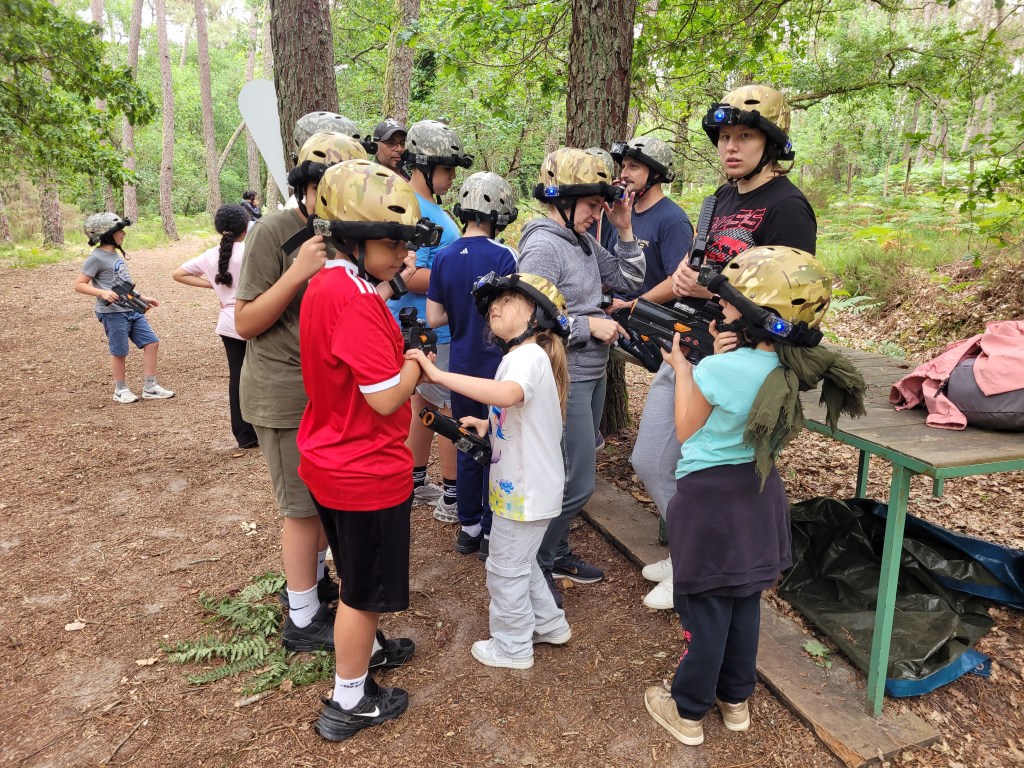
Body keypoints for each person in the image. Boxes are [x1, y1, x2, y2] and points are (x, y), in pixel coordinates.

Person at [644, 245, 864, 746]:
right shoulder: (791, 367)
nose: (720, 307)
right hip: (759, 495)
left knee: (706, 609)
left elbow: (687, 430)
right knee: (744, 603)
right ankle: (735, 700)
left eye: (728, 301)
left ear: (754, 313)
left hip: (709, 502)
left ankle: (688, 711)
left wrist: (686, 369)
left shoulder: (718, 370)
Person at [637, 84, 817, 610]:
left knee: (704, 470)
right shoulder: (720, 198)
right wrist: (642, 300)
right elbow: (693, 271)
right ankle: (689, 551)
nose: (731, 147)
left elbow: (790, 298)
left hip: (739, 363)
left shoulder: (788, 207)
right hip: (694, 346)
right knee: (654, 461)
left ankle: (698, 564)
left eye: (744, 137)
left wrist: (713, 291)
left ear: (772, 143)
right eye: (724, 137)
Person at [297, 158, 436, 740]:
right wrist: (416, 362)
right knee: (362, 592)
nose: (404, 255)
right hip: (366, 468)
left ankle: (368, 651)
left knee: (354, 570)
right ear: (353, 239)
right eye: (392, 243)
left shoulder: (327, 283)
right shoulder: (356, 300)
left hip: (328, 455)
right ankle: (349, 700)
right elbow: (384, 399)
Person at [234, 131, 370, 651]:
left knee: (319, 501)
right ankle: (302, 616)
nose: (330, 202)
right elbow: (245, 322)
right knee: (300, 508)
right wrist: (295, 274)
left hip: (325, 391)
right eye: (321, 190)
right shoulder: (273, 231)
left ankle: (314, 586)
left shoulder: (344, 233)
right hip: (283, 392)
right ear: (303, 188)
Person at [407, 272, 573, 669]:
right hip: (527, 488)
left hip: (525, 491)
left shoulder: (527, 356)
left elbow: (510, 394)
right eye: (493, 303)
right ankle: (549, 624)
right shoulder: (524, 357)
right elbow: (518, 411)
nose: (496, 307)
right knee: (521, 563)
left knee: (504, 569)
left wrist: (438, 375)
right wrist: (488, 425)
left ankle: (512, 646)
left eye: (509, 300)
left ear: (537, 316)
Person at [517, 148, 645, 607]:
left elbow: (629, 281)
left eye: (601, 204)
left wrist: (625, 229)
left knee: (572, 471)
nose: (598, 214)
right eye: (592, 204)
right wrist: (589, 325)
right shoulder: (543, 246)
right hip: (563, 378)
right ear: (563, 199)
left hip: (591, 374)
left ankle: (555, 552)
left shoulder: (583, 241)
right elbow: (527, 323)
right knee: (575, 483)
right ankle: (535, 565)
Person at [426, 172, 519, 559]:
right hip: (497, 366)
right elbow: (514, 315)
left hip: (460, 366)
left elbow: (433, 317)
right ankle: (492, 530)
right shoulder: (504, 256)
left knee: (466, 441)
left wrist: (461, 312)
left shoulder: (443, 256)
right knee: (498, 445)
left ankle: (468, 528)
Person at [389, 119, 471, 527]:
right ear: (422, 165)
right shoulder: (417, 209)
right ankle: (454, 496)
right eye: (447, 168)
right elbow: (407, 274)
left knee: (422, 402)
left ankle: (415, 480)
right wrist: (462, 279)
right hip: (431, 329)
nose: (452, 177)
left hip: (422, 328)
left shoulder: (419, 205)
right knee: (451, 406)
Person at [171, 204, 258, 449]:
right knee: (262, 373)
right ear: (246, 227)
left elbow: (178, 273)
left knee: (237, 377)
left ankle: (244, 435)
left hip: (229, 322)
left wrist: (215, 284)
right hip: (258, 317)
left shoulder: (210, 255)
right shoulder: (252, 250)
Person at [73, 213, 175, 403]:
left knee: (152, 343)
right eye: (120, 231)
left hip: (131, 309)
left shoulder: (115, 255)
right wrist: (102, 293)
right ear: (107, 234)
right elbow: (79, 284)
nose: (123, 234)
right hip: (113, 314)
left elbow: (123, 285)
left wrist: (141, 298)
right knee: (119, 352)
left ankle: (150, 387)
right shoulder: (96, 258)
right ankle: (120, 390)